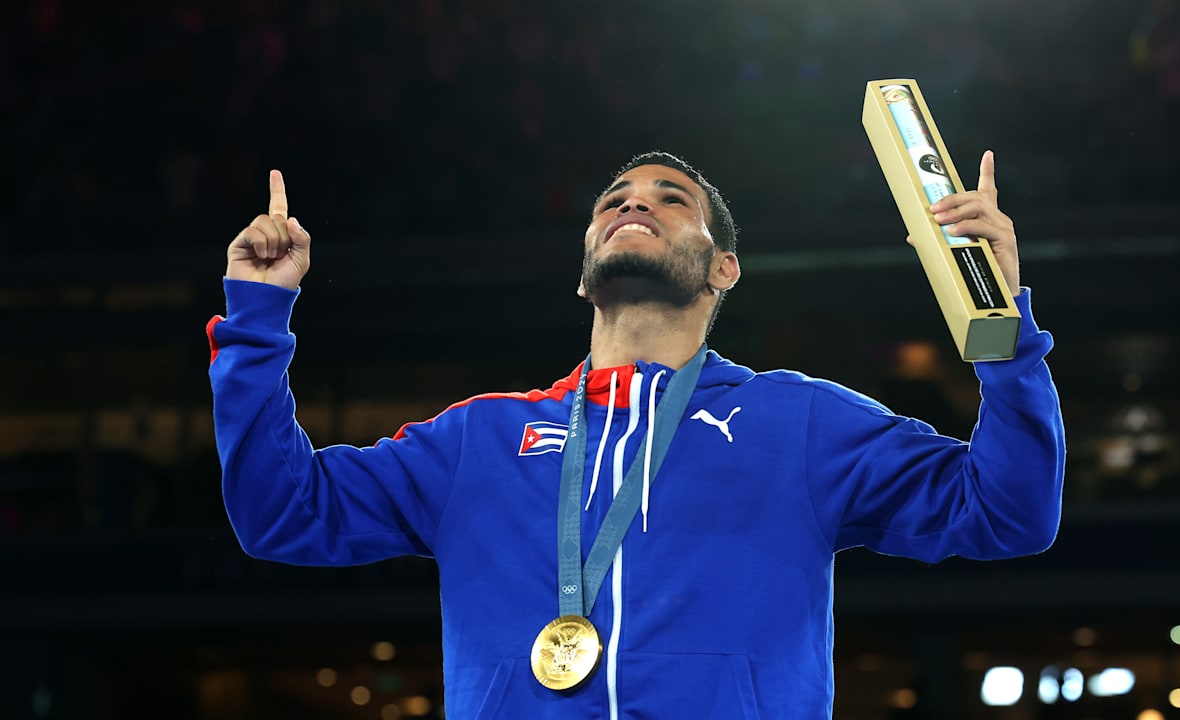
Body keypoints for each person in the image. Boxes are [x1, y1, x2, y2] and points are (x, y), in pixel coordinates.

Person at [208, 150, 1065, 720]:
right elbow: (282, 513)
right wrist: (257, 316)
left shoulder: (799, 422)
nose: (633, 205)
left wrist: (998, 321)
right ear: (585, 274)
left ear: (723, 268)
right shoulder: (476, 441)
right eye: (614, 200)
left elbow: (1006, 511)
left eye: (670, 199)